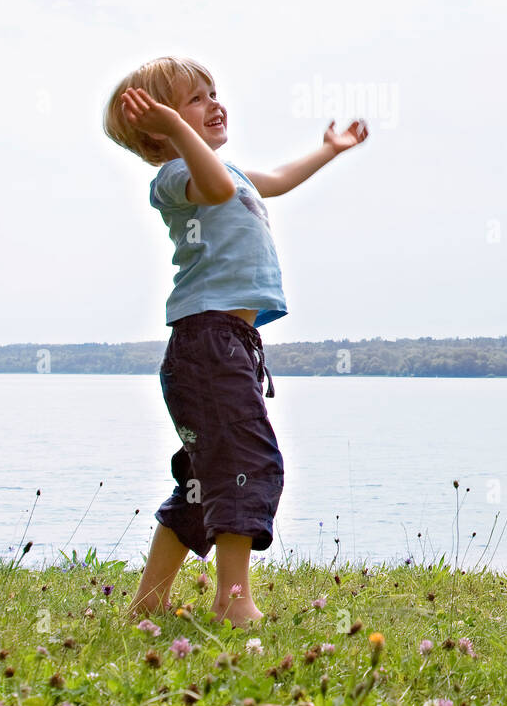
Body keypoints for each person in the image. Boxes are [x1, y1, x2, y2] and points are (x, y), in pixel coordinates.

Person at [103, 55, 368, 628]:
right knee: (246, 462)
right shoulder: (175, 178)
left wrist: (329, 149)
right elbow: (217, 188)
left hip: (227, 345)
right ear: (160, 127)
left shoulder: (232, 172)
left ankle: (148, 603)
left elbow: (273, 181)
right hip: (208, 345)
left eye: (212, 93)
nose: (214, 104)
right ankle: (232, 599)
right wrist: (177, 132)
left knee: (205, 477)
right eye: (194, 99)